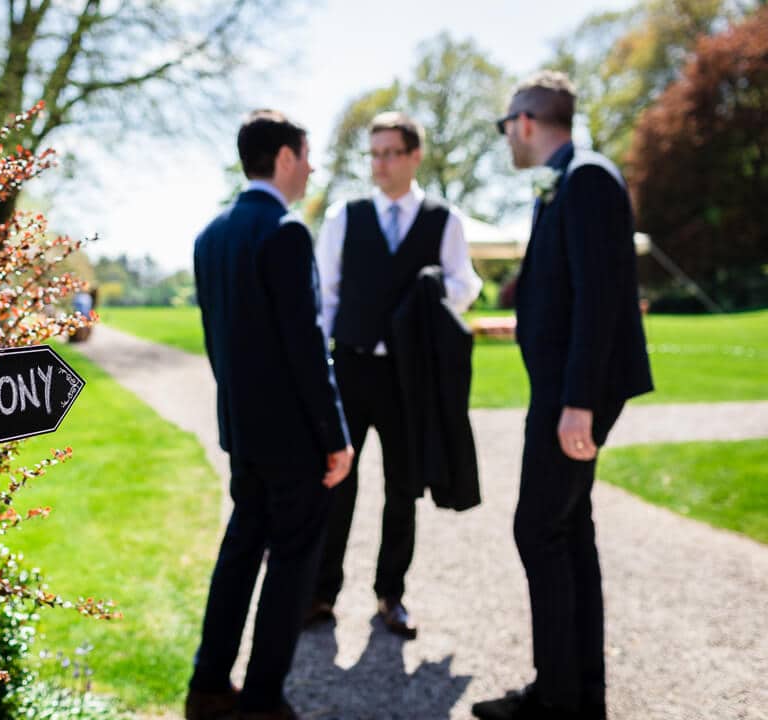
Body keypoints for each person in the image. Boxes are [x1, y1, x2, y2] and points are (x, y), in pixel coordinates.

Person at [472, 71, 653, 720]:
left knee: (538, 529)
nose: (506, 141)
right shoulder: (567, 181)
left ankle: (556, 701)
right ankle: (578, 696)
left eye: (505, 128)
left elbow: (603, 300)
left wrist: (578, 401)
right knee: (568, 531)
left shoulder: (588, 178)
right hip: (561, 388)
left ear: (525, 121)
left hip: (575, 394)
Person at [185, 110, 355, 720]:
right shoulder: (285, 231)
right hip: (292, 443)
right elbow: (308, 348)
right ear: (283, 156)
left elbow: (218, 345)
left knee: (239, 554)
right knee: (291, 564)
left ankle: (207, 686)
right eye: (307, 155)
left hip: (242, 433)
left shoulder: (211, 235)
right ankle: (261, 700)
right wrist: (335, 438)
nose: (312, 168)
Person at [308, 111, 482, 637]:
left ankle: (391, 594)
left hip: (410, 377)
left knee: (402, 489)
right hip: (352, 368)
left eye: (389, 153)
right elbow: (326, 296)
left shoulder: (443, 219)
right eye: (374, 154)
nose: (379, 164)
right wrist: (322, 368)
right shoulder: (345, 216)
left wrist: (433, 291)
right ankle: (321, 594)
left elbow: (465, 285)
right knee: (338, 483)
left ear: (413, 156)